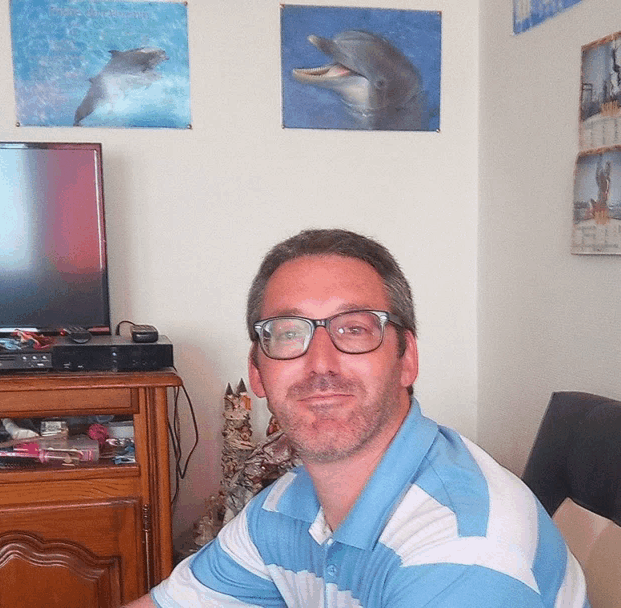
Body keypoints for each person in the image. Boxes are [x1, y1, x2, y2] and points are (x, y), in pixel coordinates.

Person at [125, 228, 589, 607]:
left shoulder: (465, 553)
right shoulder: (284, 507)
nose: (321, 363)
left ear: (406, 360)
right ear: (258, 373)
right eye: (289, 334)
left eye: (354, 329)